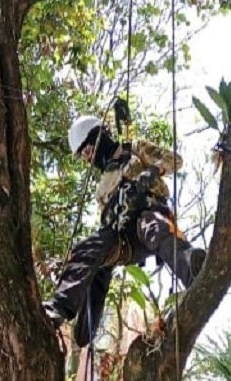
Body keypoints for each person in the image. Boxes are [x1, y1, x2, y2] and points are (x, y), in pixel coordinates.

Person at [43, 115, 206, 347]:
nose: (88, 158)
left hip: (148, 217)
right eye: (83, 156)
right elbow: (106, 225)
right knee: (90, 248)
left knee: (154, 227)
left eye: (87, 150)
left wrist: (153, 171)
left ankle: (192, 268)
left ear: (98, 136)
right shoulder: (102, 188)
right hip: (123, 239)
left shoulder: (135, 149)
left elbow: (175, 160)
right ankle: (62, 309)